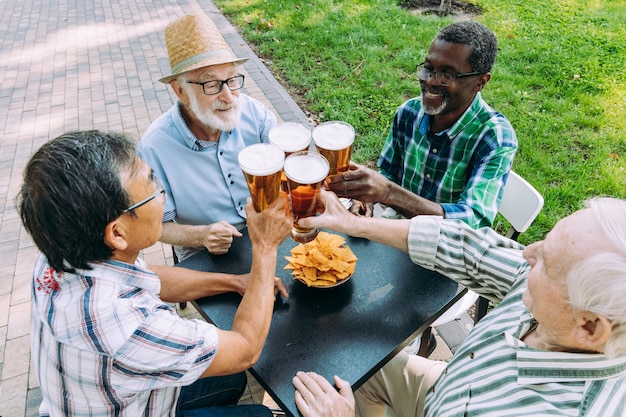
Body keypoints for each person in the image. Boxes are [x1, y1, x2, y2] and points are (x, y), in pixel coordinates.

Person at [18, 130, 292, 416]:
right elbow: (244, 350)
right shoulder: (126, 327)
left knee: (229, 378)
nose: (162, 195)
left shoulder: (63, 248)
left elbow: (149, 279)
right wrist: (265, 246)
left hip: (99, 397)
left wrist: (235, 282)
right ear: (117, 233)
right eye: (152, 184)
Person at [291, 189, 626, 416]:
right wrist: (357, 225)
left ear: (590, 327)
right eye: (545, 241)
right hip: (449, 387)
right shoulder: (565, 307)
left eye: (548, 263)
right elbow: (474, 253)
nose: (527, 253)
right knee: (355, 368)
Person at [327, 21, 517, 229]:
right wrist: (366, 196)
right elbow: (389, 172)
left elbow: (473, 221)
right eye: (428, 68)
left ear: (480, 82)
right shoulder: (409, 112)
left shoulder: (494, 138)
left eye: (447, 74)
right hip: (397, 231)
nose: (432, 82)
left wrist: (388, 193)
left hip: (449, 249)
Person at [137, 13, 277, 261]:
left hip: (268, 231)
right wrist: (201, 235)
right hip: (206, 253)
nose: (229, 96)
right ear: (180, 91)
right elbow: (155, 227)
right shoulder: (153, 149)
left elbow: (290, 163)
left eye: (232, 80)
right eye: (211, 85)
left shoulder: (253, 111)